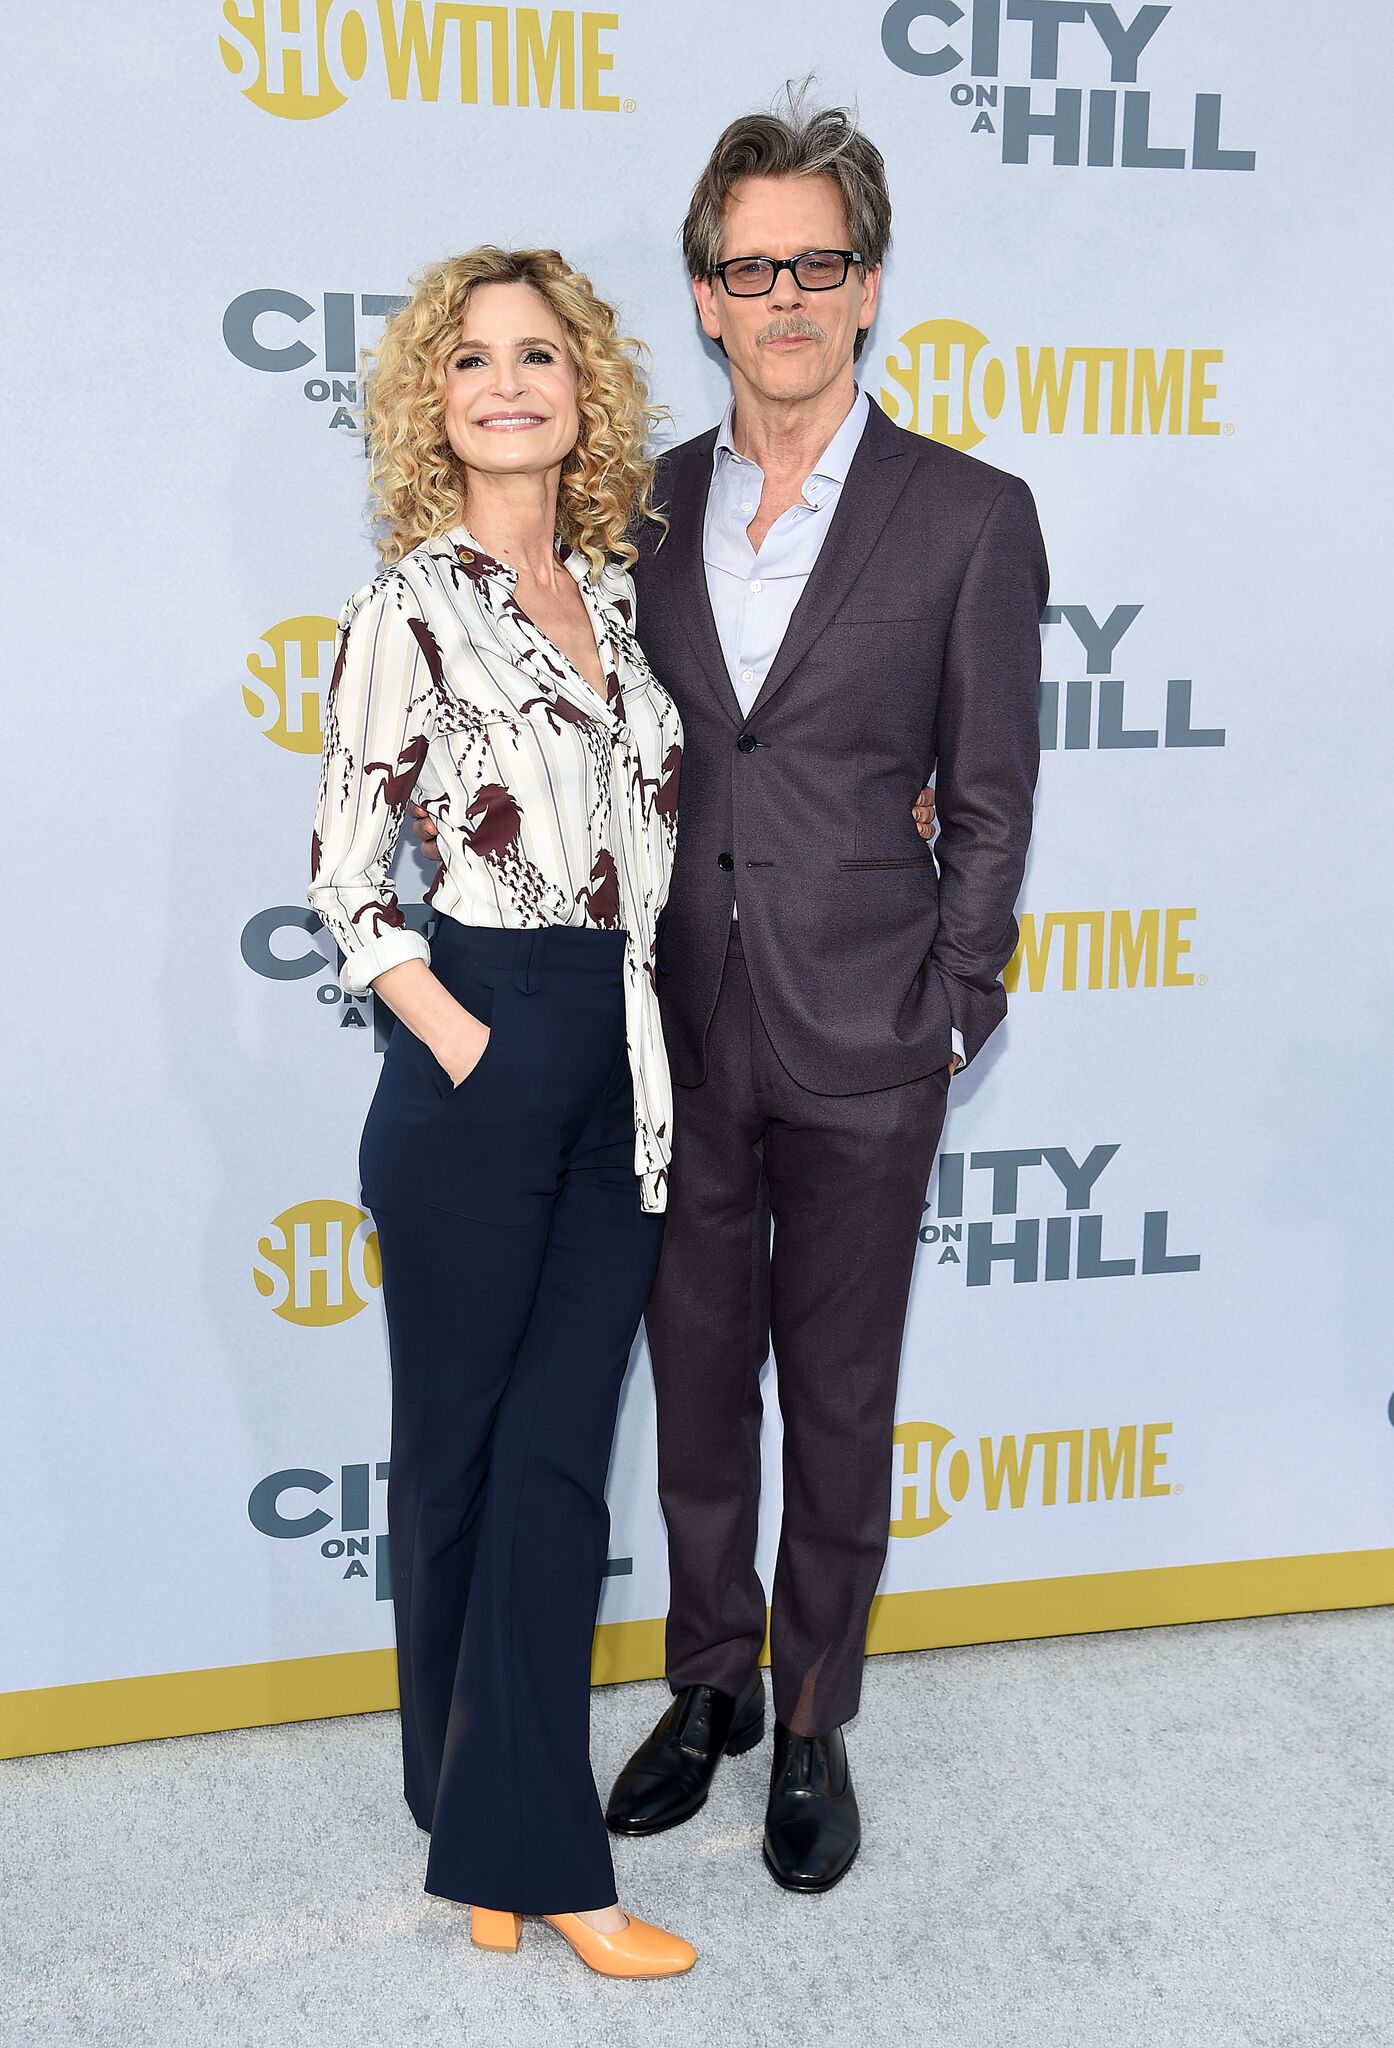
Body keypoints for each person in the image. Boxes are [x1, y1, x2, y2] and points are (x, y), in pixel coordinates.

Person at [599, 98, 1048, 1892]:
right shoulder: (635, 504)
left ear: (867, 288)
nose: (783, 296)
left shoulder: (970, 514)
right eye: (748, 265)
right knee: (694, 1378)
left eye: (817, 263)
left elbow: (996, 799)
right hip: (677, 1017)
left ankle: (810, 1716)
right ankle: (706, 1682)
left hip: (869, 1034)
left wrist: (950, 1004)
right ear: (704, 296)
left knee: (839, 1396)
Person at [307, 246, 697, 1979]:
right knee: (456, 1465)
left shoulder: (611, 603)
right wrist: (458, 1037)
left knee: (551, 1463)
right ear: (432, 405)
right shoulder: (411, 603)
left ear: (583, 390)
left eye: (539, 355)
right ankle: (521, 1849)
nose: (508, 383)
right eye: (472, 362)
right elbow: (342, 873)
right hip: (481, 1039)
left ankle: (503, 1841)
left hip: (625, 1045)